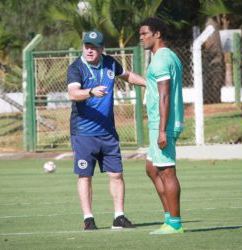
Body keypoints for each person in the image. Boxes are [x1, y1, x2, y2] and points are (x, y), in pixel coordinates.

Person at [67, 30, 146, 230]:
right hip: (84, 132)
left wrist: (148, 83)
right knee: (85, 175)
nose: (89, 50)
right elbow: (73, 94)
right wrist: (90, 92)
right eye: (86, 46)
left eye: (94, 47)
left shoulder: (110, 62)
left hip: (108, 132)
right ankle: (88, 218)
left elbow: (127, 76)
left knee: (116, 174)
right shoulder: (76, 68)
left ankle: (119, 216)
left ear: (102, 49)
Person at [139, 17, 184, 234]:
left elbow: (165, 96)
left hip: (162, 123)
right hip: (159, 123)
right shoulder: (167, 56)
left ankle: (174, 223)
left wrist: (162, 130)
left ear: (157, 34)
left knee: (166, 171)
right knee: (151, 168)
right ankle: (168, 218)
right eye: (140, 34)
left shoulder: (161, 60)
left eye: (145, 33)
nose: (142, 38)